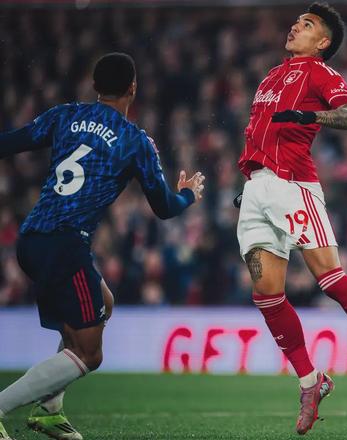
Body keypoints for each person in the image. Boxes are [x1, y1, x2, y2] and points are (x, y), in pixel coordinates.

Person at [0, 52, 205, 440]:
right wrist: (188, 195)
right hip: (65, 244)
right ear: (133, 88)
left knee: (102, 304)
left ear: (94, 86)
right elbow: (164, 208)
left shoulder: (65, 115)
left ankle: (50, 410)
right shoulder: (134, 141)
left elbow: (10, 142)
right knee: (90, 354)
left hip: (32, 238)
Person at [235, 2, 347, 435]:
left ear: (323, 41)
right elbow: (260, 134)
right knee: (266, 293)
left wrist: (309, 115)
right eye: (298, 21)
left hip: (293, 184)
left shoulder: (320, 73)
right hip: (257, 188)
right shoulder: (271, 76)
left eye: (307, 24)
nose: (295, 26)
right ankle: (310, 381)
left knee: (329, 277)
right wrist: (253, 182)